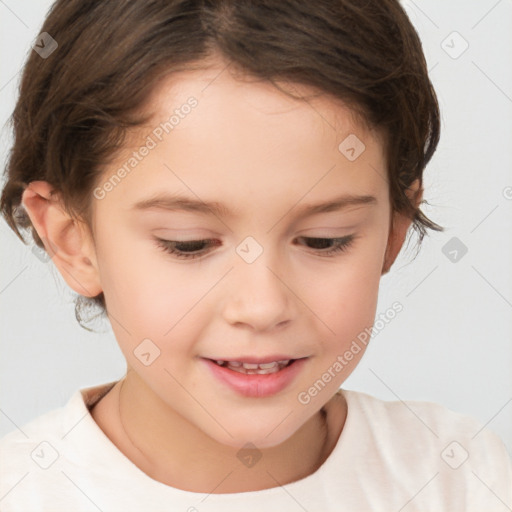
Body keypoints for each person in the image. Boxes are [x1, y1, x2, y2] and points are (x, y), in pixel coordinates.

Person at [0, 0, 510, 510]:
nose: (263, 306)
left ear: (393, 230)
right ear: (71, 240)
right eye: (189, 244)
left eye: (325, 240)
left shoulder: (463, 480)